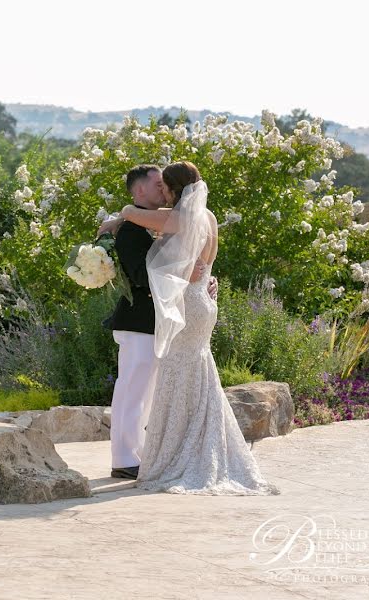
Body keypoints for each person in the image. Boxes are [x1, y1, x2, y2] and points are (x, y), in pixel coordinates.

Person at [118, 161, 279, 495]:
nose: (160, 192)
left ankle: (181, 454)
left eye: (164, 187)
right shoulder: (208, 217)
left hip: (189, 305)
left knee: (178, 376)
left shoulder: (179, 218)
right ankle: (203, 446)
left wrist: (119, 214)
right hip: (204, 304)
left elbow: (137, 217)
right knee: (200, 377)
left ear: (175, 190)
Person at [98, 165, 216, 480]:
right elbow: (140, 275)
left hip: (158, 321)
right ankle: (124, 458)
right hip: (138, 320)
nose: (161, 189)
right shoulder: (131, 229)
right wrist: (186, 275)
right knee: (132, 391)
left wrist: (201, 277)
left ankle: (138, 455)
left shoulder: (156, 222)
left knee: (146, 394)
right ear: (140, 191)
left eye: (165, 185)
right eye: (156, 183)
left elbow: (181, 254)